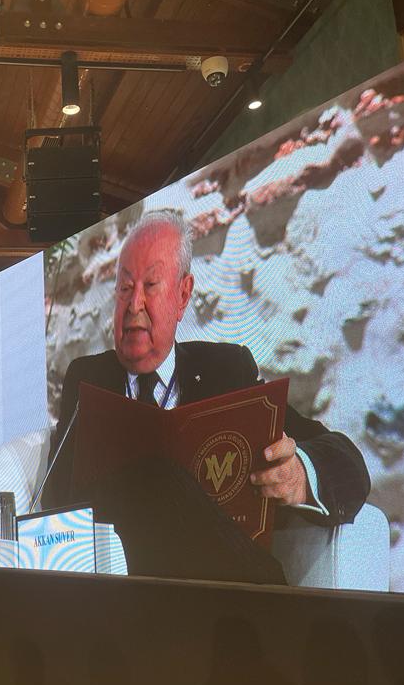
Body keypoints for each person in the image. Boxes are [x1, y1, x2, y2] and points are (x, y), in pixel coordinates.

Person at [45, 212, 371, 580]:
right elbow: (58, 503)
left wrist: (299, 475)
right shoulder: (87, 379)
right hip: (125, 592)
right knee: (156, 477)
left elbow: (347, 463)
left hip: (223, 593)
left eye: (150, 285)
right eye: (124, 288)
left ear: (183, 295)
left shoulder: (226, 371)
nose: (133, 304)